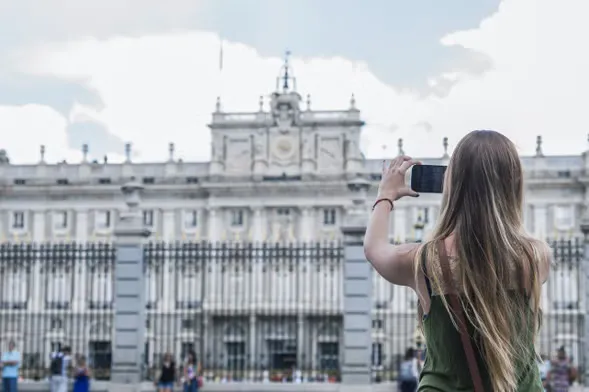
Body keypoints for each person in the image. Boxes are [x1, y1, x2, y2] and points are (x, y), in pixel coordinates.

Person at [364, 130, 551, 391]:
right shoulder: (536, 257)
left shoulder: (424, 261)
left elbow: (374, 249)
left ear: (451, 184)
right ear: (513, 184)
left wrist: (385, 195)